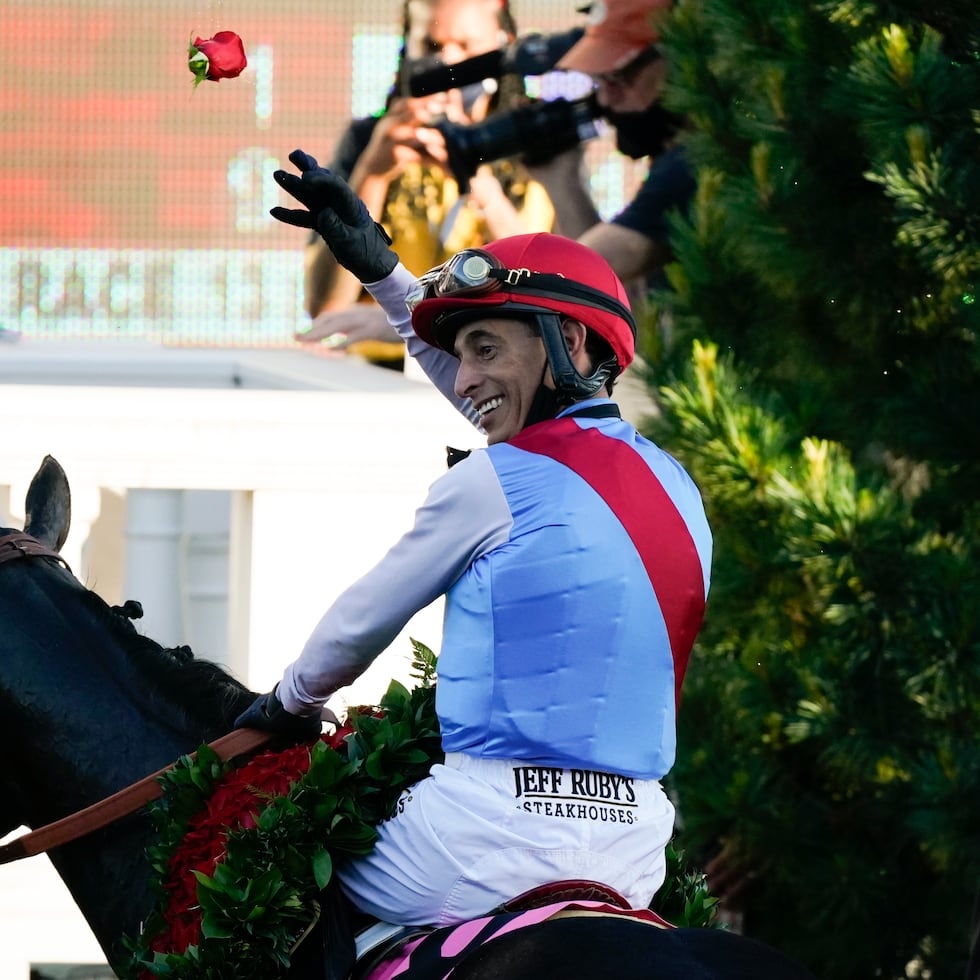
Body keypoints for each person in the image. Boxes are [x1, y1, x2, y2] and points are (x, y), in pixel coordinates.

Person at [238, 149, 712, 929]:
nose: (462, 382)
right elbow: (522, 421)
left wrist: (291, 703)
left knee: (272, 880)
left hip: (477, 840)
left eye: (483, 351)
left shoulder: (494, 482)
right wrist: (386, 272)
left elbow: (360, 622)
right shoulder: (679, 485)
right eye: (459, 359)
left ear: (574, 346)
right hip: (635, 853)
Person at [300, 0, 555, 364]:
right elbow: (324, 308)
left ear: (504, 43)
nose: (448, 64)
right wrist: (372, 173)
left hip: (492, 377)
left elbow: (547, 299)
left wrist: (473, 173)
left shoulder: (535, 144)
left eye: (466, 47)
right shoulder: (368, 141)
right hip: (374, 375)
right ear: (409, 47)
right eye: (431, 47)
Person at [527, 0, 693, 291]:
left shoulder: (692, 165)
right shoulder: (673, 161)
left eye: (619, 77)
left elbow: (576, 274)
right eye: (599, 81)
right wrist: (560, 177)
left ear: (683, 64)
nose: (605, 100)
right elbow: (614, 297)